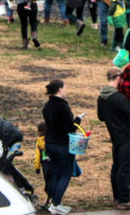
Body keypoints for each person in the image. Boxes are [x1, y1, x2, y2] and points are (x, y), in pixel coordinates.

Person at [96, 66, 130, 210]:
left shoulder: (102, 97)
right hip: (126, 136)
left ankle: (117, 198)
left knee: (116, 167)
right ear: (119, 78)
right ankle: (125, 199)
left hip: (114, 136)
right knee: (126, 168)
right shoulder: (118, 97)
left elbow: (100, 116)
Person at [42, 79, 81, 215]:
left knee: (56, 172)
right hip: (62, 144)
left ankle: (53, 201)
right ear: (59, 89)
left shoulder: (47, 106)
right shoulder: (63, 106)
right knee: (66, 173)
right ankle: (56, 203)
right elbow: (70, 127)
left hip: (49, 143)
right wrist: (77, 120)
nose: (65, 90)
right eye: (64, 88)